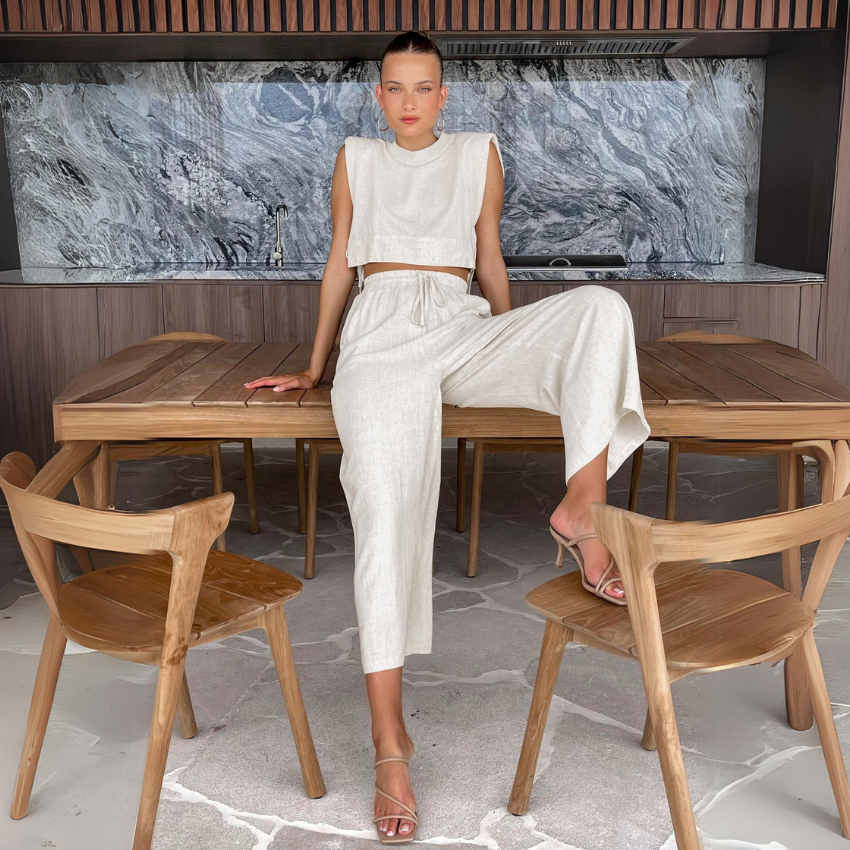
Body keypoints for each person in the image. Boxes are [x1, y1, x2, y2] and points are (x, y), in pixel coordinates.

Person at [244, 29, 650, 844]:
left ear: (444, 94)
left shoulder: (478, 153)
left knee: (601, 310)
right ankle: (389, 741)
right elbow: (338, 262)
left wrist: (516, 345)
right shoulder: (357, 157)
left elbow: (489, 255)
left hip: (462, 325)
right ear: (378, 95)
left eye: (423, 87)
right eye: (394, 88)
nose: (409, 102)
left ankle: (584, 510)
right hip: (380, 334)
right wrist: (317, 366)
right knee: (384, 512)